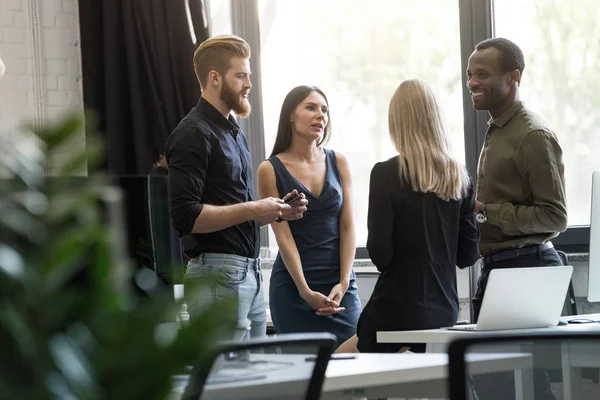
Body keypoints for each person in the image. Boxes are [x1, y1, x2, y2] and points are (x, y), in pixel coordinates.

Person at [166, 35, 307, 340]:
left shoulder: (234, 134)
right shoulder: (192, 134)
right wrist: (256, 207)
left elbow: (234, 210)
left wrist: (277, 211)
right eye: (240, 75)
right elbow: (185, 216)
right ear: (214, 78)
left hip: (249, 275)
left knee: (251, 383)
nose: (248, 84)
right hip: (218, 277)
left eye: (249, 76)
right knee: (224, 383)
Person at [336, 79, 480, 354]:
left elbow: (380, 255)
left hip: (396, 311)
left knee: (331, 372)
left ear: (397, 123)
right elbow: (467, 256)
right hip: (444, 311)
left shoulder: (386, 174)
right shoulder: (460, 177)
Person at [467, 37, 567, 400]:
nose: (472, 82)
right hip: (501, 269)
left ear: (514, 77)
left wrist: (485, 212)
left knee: (515, 387)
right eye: (469, 74)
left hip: (526, 268)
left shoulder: (532, 134)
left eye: (482, 74)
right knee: (497, 385)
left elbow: (554, 216)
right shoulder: (498, 129)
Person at [256, 85, 361, 345]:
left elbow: (348, 227)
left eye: (324, 110)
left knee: (354, 368)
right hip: (294, 288)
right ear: (290, 115)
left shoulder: (339, 161)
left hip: (340, 286)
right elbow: (283, 236)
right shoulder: (269, 169)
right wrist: (304, 291)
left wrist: (345, 282)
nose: (320, 116)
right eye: (311, 107)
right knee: (305, 378)